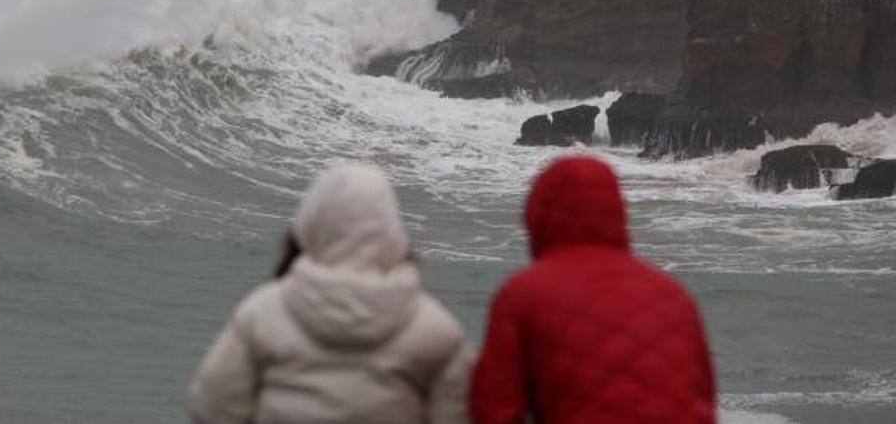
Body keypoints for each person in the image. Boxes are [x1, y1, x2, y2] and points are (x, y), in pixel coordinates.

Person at [186, 163, 472, 423]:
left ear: (309, 224)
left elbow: (211, 409)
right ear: (393, 231)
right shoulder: (436, 329)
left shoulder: (262, 313)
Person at [469, 155, 715, 423]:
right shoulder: (674, 295)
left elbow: (495, 409)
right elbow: (703, 398)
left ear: (538, 216)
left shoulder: (523, 294)